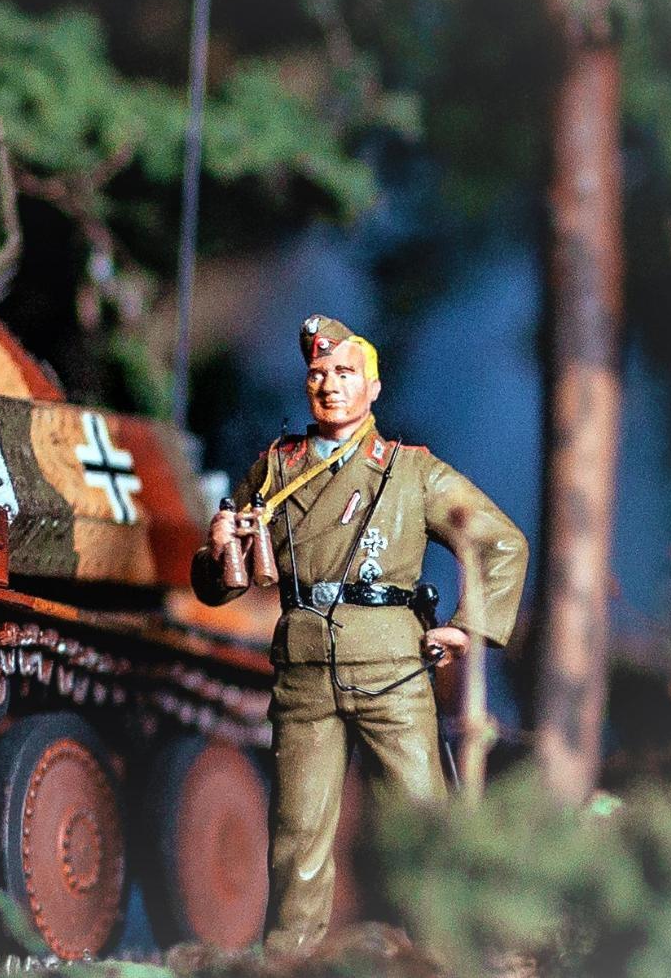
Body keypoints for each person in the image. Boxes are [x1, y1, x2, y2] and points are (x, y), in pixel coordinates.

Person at [191, 314, 529, 953]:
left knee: (421, 827)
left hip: (391, 668)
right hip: (304, 673)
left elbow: (503, 543)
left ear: (373, 387)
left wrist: (470, 630)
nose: (330, 385)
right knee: (298, 841)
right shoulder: (274, 469)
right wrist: (217, 551)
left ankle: (443, 957)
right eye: (318, 373)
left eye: (345, 372)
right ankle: (289, 962)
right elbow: (220, 587)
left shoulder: (410, 472)